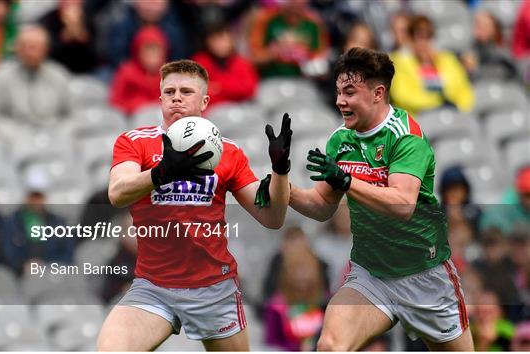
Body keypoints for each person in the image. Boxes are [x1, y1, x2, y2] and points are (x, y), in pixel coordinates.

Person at [97, 59, 292, 351]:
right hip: (154, 286)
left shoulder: (230, 152)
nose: (176, 97)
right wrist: (162, 172)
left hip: (214, 287)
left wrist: (279, 171)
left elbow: (272, 217)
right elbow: (117, 191)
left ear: (205, 100)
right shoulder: (135, 142)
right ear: (160, 98)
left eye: (186, 91)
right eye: (169, 91)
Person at [287, 47, 474, 350]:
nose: (339, 101)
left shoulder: (405, 135)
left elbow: (402, 204)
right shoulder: (340, 140)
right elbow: (322, 207)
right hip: (371, 274)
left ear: (378, 93)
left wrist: (346, 181)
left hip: (425, 276)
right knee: (330, 345)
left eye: (349, 92)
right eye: (337, 92)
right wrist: (284, 185)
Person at [389, 15, 474, 116]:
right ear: (410, 39)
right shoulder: (398, 61)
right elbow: (402, 95)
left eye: (428, 36)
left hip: (451, 113)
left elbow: (464, 90)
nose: (424, 42)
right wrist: (437, 103)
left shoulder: (447, 59)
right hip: (416, 118)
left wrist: (459, 108)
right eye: (419, 37)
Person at [0, 25, 71, 125]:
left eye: (34, 47)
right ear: (17, 49)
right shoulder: (2, 76)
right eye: (24, 46)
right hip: (12, 135)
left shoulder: (59, 76)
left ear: (45, 50)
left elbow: (72, 116)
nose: (29, 53)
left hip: (51, 134)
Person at [109, 25, 168, 116]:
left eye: (156, 51)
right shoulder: (126, 71)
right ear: (137, 51)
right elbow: (116, 102)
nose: (152, 57)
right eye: (147, 51)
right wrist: (139, 106)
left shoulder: (168, 73)